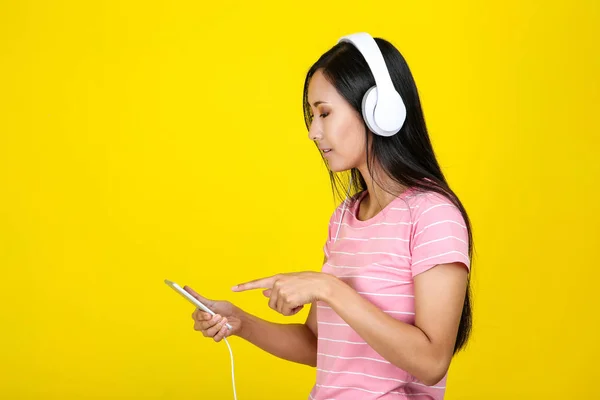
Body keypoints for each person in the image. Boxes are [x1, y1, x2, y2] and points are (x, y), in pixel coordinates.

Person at [183, 32, 473, 400]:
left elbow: (432, 363)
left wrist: (329, 288)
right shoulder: (344, 218)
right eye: (310, 115)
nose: (312, 132)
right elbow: (319, 346)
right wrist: (241, 323)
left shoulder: (433, 216)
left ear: (377, 110)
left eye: (324, 112)